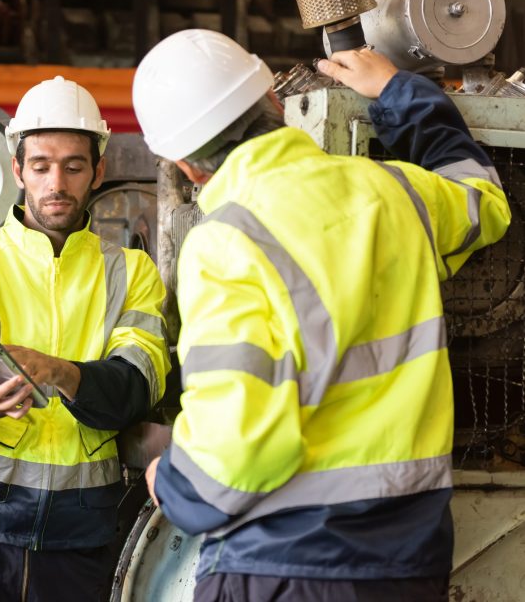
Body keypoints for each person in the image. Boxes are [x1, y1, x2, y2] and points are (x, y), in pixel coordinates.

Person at [132, 30, 510, 601]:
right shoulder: (393, 194)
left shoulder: (226, 241)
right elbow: (483, 198)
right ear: (272, 101)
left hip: (283, 567)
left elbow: (237, 455)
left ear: (186, 167)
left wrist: (174, 483)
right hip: (409, 562)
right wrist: (399, 91)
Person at [0, 76, 171, 601]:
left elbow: (136, 388)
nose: (56, 183)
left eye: (73, 166)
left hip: (77, 540)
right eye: (42, 166)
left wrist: (60, 372)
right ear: (17, 170)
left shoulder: (131, 273)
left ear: (98, 171)